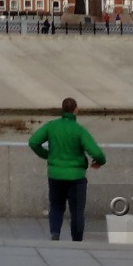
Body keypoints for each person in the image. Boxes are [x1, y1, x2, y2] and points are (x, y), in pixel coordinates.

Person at [28, 97, 106, 241]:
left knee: (56, 206)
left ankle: (55, 233)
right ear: (76, 110)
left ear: (62, 110)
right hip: (76, 177)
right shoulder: (79, 130)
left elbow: (33, 142)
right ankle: (76, 239)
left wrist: (48, 155)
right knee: (77, 211)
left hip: (55, 175)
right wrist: (100, 161)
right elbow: (96, 152)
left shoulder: (51, 126)